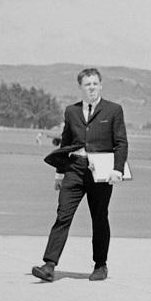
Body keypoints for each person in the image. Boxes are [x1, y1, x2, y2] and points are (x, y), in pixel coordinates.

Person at [34, 69, 127, 283]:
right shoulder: (71, 112)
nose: (92, 87)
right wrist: (59, 173)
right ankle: (49, 265)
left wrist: (118, 170)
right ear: (80, 88)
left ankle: (100, 265)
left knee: (99, 218)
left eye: (95, 83)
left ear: (101, 85)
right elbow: (65, 143)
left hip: (102, 171)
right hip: (74, 169)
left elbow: (121, 143)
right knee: (62, 215)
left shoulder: (113, 110)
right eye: (87, 84)